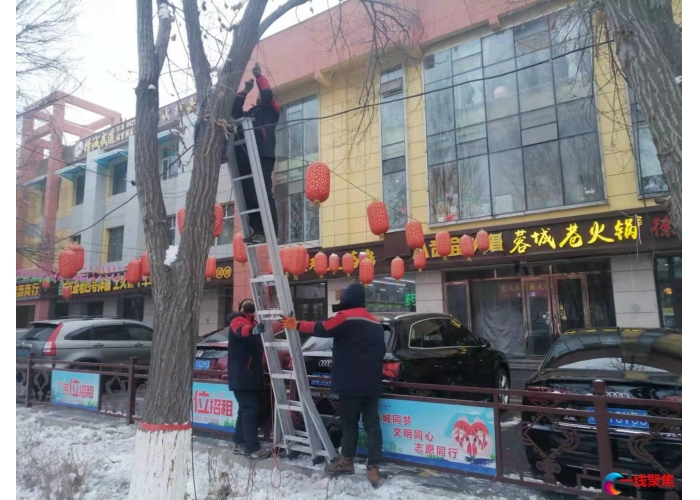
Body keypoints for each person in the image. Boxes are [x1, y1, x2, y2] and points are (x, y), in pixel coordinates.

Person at [280, 283, 386, 488]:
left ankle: (347, 461)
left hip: (350, 382)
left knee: (349, 423)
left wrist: (295, 324)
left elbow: (321, 327)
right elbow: (380, 352)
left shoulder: (345, 317)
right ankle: (373, 468)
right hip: (372, 383)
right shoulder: (376, 323)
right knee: (373, 425)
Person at [228, 63, 281, 244]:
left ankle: (270, 231)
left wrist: (259, 77)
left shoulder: (272, 113)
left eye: (260, 95)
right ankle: (257, 229)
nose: (259, 97)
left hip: (262, 155)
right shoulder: (251, 112)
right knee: (248, 193)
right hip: (245, 156)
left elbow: (267, 96)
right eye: (257, 95)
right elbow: (235, 113)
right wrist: (244, 91)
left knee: (263, 193)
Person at [227, 299, 272, 459]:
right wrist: (253, 330)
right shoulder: (237, 320)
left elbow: (265, 329)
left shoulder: (253, 321)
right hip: (242, 376)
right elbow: (242, 330)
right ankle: (251, 448)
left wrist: (283, 323)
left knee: (245, 409)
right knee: (249, 409)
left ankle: (239, 443)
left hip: (250, 376)